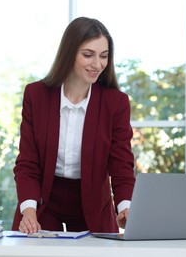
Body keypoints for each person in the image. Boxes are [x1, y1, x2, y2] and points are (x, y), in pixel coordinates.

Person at [12, 16, 135, 234]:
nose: (97, 64)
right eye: (88, 55)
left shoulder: (115, 103)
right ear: (69, 53)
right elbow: (28, 162)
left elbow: (121, 164)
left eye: (103, 56)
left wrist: (126, 208)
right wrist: (28, 211)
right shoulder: (36, 95)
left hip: (93, 202)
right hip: (44, 199)